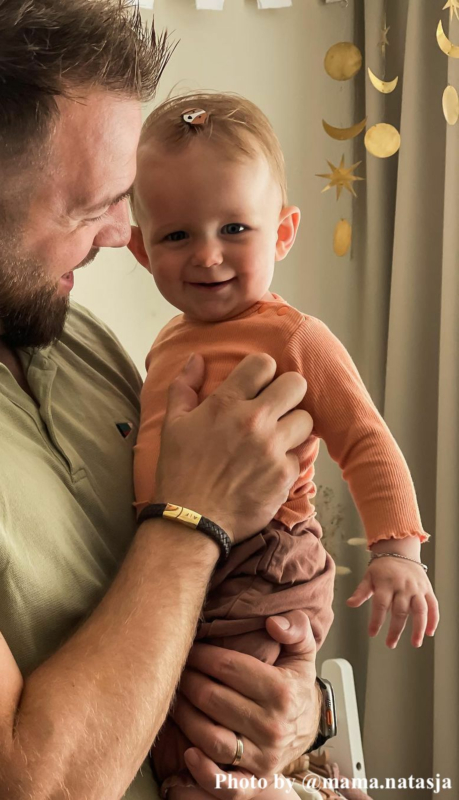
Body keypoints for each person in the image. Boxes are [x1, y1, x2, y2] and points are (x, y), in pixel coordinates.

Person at [0, 3, 324, 799]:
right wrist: (193, 519)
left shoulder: (70, 335)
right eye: (93, 206)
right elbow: (19, 786)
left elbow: (194, 616)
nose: (126, 233)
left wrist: (296, 707)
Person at [128, 92, 440, 796]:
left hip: (266, 556)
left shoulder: (295, 337)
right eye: (177, 236)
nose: (207, 255)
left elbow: (365, 439)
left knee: (228, 702)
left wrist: (398, 552)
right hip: (184, 554)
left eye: (235, 227)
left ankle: (251, 783)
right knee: (174, 701)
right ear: (141, 249)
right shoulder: (164, 346)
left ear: (284, 231)